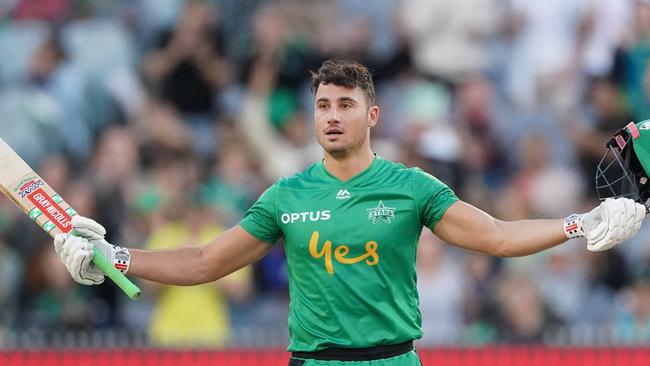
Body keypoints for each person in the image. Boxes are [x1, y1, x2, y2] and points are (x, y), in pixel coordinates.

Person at [54, 59, 646, 366]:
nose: (331, 115)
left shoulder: (410, 186)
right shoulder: (286, 194)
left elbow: (492, 235)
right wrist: (116, 256)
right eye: (322, 106)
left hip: (392, 363)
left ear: (373, 116)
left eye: (345, 104)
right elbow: (207, 261)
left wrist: (580, 223)